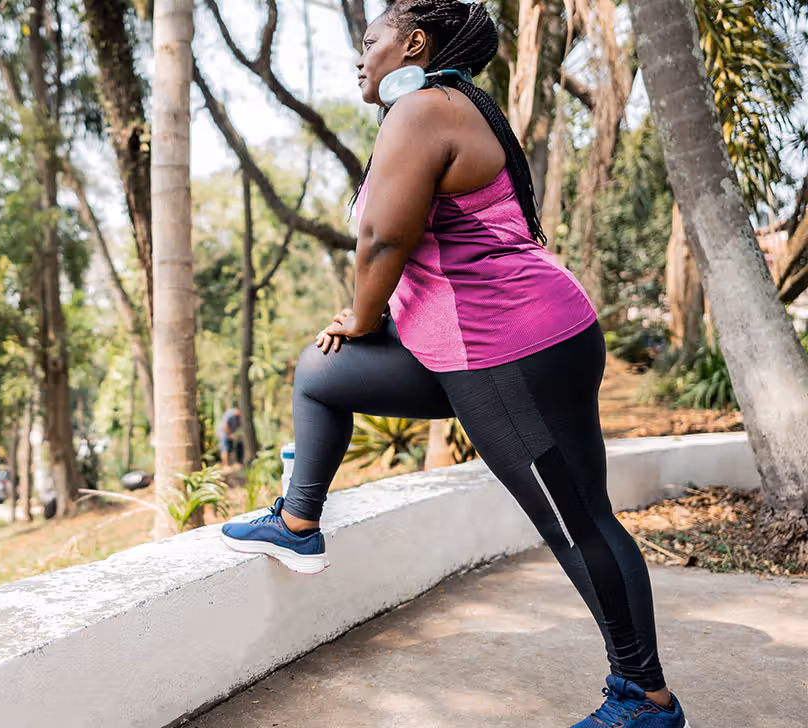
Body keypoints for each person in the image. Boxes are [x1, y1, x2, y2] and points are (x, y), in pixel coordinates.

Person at [219, 2, 689, 727]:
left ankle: (645, 698)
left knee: (580, 524)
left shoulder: (427, 109)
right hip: (487, 344)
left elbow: (383, 240)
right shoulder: (449, 107)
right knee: (321, 373)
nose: (359, 56)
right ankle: (297, 519)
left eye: (368, 40)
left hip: (510, 349)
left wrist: (363, 315)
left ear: (413, 42)